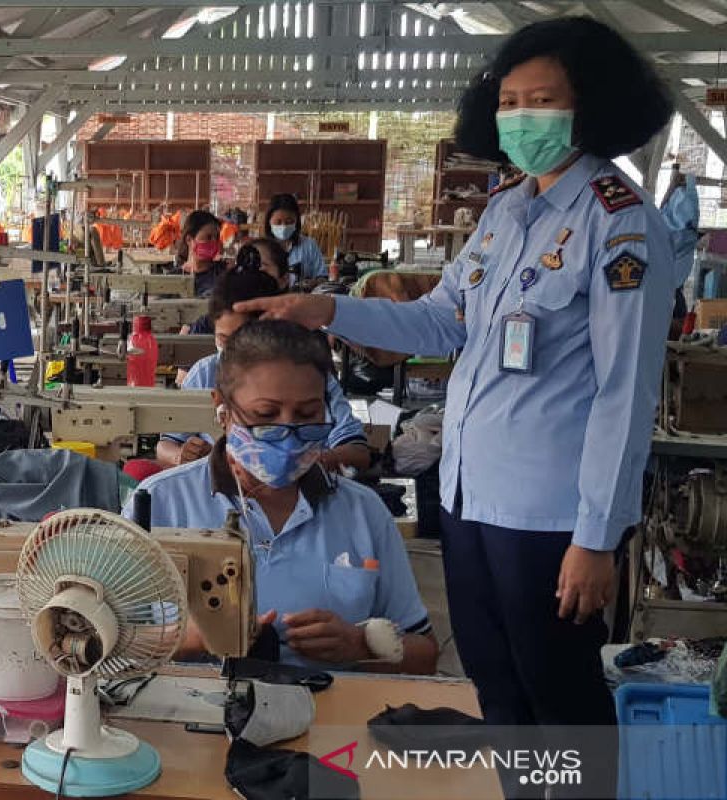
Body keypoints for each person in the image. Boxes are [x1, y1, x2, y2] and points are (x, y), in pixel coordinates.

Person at [234, 16, 675, 749]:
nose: (520, 117)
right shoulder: (507, 211)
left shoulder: (618, 224)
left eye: (541, 100)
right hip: (470, 497)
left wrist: (598, 537)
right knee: (496, 685)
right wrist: (329, 309)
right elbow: (442, 323)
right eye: (508, 100)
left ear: (589, 106)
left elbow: (626, 393)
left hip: (550, 516)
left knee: (558, 697)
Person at [124, 320, 437, 673]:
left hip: (328, 718)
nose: (288, 433)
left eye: (307, 416)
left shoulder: (362, 512)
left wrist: (360, 644)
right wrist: (188, 639)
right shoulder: (161, 502)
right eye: (265, 415)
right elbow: (103, 641)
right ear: (221, 408)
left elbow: (424, 652)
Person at [160, 266, 369, 472]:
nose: (232, 350)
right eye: (223, 339)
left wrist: (306, 464)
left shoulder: (309, 377)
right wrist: (181, 455)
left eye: (242, 339)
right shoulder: (205, 373)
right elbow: (166, 444)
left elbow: (357, 451)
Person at [185, 239, 290, 335]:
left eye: (260, 268)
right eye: (244, 268)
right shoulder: (220, 316)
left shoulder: (292, 325)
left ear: (284, 280)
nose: (250, 276)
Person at [265, 193, 327, 281]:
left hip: (303, 293)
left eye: (289, 222)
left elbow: (322, 276)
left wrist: (313, 283)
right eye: (278, 222)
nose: (284, 226)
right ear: (269, 222)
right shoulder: (262, 248)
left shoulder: (309, 246)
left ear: (297, 221)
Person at [176, 210, 227, 297]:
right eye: (208, 237)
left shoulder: (225, 274)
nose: (214, 242)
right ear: (189, 240)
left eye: (217, 238)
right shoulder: (172, 278)